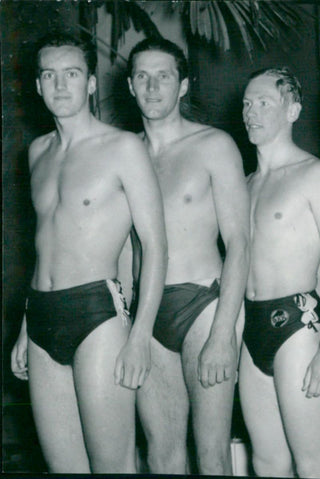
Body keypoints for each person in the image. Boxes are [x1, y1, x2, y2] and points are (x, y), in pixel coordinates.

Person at [9, 32, 167, 473]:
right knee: (64, 469)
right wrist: (25, 325)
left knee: (112, 465)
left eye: (72, 74)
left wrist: (140, 337)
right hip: (41, 314)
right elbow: (46, 244)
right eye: (50, 75)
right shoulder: (37, 152)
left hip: (98, 313)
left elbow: (154, 245)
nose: (61, 85)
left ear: (91, 84)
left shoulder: (123, 148)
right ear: (38, 86)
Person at [126, 37, 249, 475]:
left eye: (164, 76)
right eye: (143, 76)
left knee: (212, 451)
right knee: (161, 453)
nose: (153, 86)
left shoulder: (213, 145)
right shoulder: (124, 153)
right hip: (147, 311)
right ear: (130, 86)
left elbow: (239, 242)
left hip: (204, 303)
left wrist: (222, 334)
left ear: (182, 86)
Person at [238, 66, 320, 478]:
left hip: (297, 326)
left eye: (265, 102)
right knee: (267, 462)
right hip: (250, 330)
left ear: (293, 111)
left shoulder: (314, 174)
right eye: (247, 103)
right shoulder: (245, 184)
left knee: (314, 464)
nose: (252, 112)